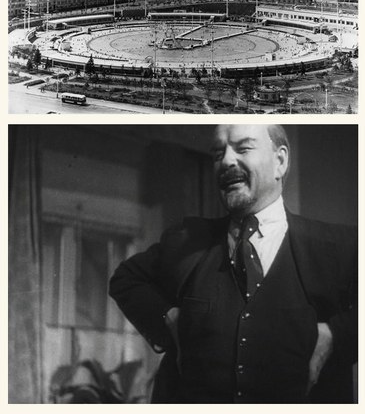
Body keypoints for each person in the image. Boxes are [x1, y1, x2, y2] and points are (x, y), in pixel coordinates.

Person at [109, 124, 357, 404]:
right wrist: (170, 318)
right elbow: (125, 279)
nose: (225, 161)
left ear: (280, 161)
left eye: (243, 148)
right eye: (217, 154)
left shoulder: (340, 247)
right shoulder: (186, 241)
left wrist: (337, 335)